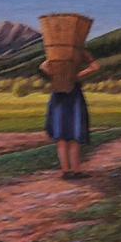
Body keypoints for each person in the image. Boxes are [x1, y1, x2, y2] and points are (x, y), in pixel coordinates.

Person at [41, 44, 101, 179]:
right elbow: (95, 67)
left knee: (61, 136)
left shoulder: (56, 67)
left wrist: (55, 59)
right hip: (74, 98)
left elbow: (43, 66)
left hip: (58, 98)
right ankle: (76, 170)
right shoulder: (75, 72)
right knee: (74, 135)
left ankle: (66, 171)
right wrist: (86, 58)